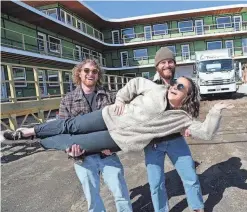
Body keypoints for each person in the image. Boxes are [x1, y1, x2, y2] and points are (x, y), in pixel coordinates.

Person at [3, 76, 233, 154]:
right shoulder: (156, 88)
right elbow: (133, 84)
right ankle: (28, 131)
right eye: (175, 83)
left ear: (187, 97)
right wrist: (121, 99)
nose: (174, 86)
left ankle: (39, 142)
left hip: (120, 139)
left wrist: (215, 112)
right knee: (71, 125)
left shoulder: (181, 119)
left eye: (181, 87)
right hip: (108, 116)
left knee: (76, 143)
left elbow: (206, 133)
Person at [49, 59, 133, 212]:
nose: (90, 74)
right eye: (86, 71)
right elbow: (61, 130)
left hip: (108, 154)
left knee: (121, 194)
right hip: (83, 157)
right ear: (79, 74)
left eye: (94, 71)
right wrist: (69, 150)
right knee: (93, 200)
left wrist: (115, 147)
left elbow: (122, 125)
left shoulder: (109, 97)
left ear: (98, 75)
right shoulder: (68, 100)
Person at [144, 47, 204, 212]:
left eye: (170, 61)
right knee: (156, 184)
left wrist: (187, 123)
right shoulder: (148, 86)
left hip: (175, 139)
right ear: (157, 66)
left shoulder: (181, 85)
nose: (167, 65)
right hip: (152, 143)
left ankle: (197, 207)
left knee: (190, 177)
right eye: (163, 62)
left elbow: (192, 108)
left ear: (174, 64)